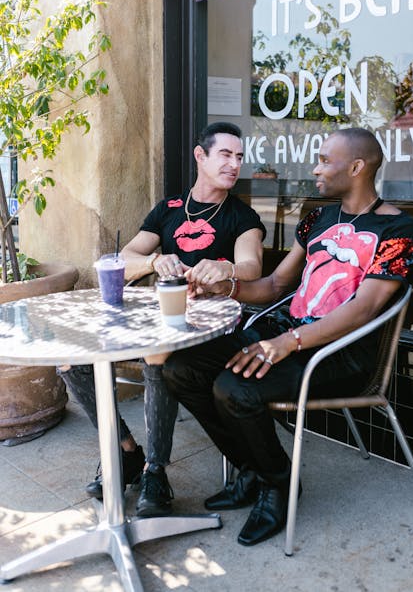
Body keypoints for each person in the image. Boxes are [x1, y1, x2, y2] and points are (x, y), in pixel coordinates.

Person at [163, 127, 413, 546]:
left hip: (340, 353)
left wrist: (288, 344)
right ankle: (251, 469)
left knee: (236, 391)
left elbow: (365, 309)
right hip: (284, 333)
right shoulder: (318, 219)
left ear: (356, 168)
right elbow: (273, 286)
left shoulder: (401, 231)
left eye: (324, 160)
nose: (315, 168)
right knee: (181, 369)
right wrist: (225, 287)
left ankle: (280, 484)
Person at [59, 122, 265, 507]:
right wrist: (154, 260)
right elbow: (121, 259)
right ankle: (125, 450)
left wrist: (226, 269)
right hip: (155, 316)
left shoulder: (242, 217)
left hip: (208, 325)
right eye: (226, 154)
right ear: (200, 156)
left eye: (239, 157)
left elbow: (251, 266)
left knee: (157, 353)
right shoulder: (169, 209)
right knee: (73, 360)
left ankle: (156, 469)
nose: (234, 164)